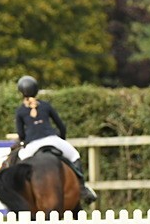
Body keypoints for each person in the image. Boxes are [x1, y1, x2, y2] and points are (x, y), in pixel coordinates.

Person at [13, 75, 97, 204]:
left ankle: (19, 192)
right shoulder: (46, 106)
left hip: (33, 144)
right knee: (74, 155)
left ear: (21, 92)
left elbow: (21, 134)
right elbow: (61, 126)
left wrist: (24, 142)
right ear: (36, 90)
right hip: (52, 140)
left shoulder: (20, 111)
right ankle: (82, 188)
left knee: (19, 162)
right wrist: (61, 139)